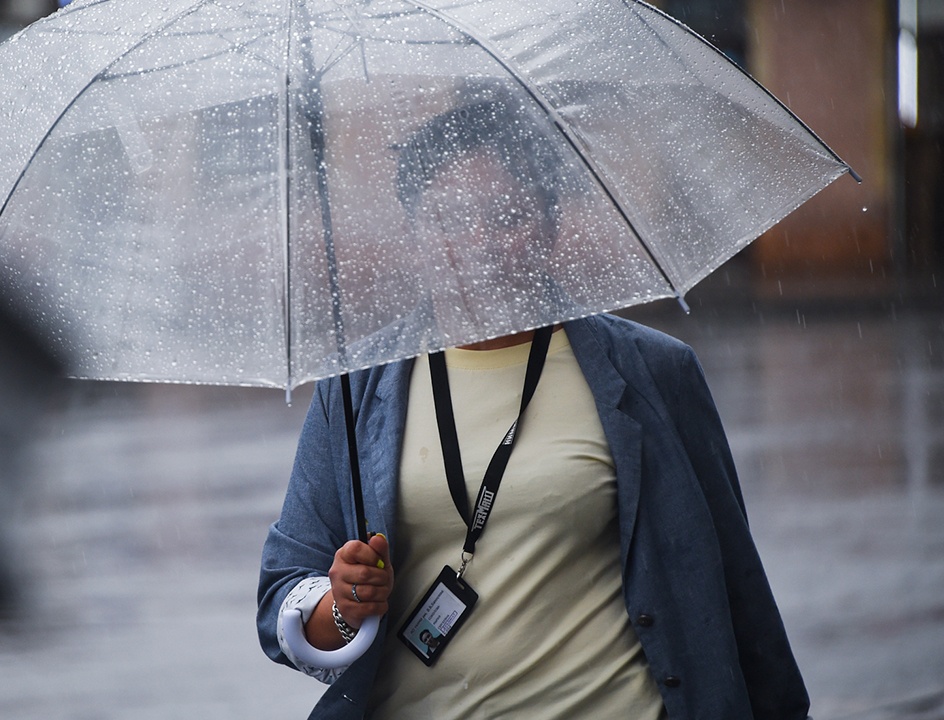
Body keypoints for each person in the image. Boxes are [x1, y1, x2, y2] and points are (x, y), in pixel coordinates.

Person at [257, 99, 810, 719]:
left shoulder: (651, 371)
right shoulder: (356, 386)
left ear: (549, 230)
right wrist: (342, 604)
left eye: (505, 217)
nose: (479, 242)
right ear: (415, 237)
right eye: (450, 217)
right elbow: (285, 589)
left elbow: (732, 581)